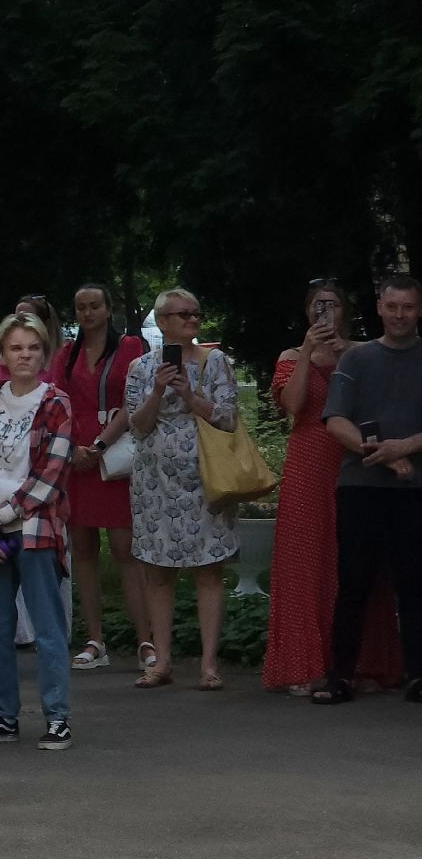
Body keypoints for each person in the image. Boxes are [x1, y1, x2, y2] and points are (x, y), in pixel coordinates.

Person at [266, 281, 402, 694]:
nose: (324, 311)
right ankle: (303, 665)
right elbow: (293, 406)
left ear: (346, 310)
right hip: (309, 462)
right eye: (317, 305)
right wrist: (308, 352)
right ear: (306, 312)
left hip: (356, 460)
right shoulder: (291, 356)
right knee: (306, 562)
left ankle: (361, 664)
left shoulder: (363, 353)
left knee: (358, 562)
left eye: (333, 304)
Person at [0, 312, 75, 750]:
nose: (25, 355)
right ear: (2, 354)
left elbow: (49, 478)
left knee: (47, 629)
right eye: (16, 348)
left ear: (44, 353)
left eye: (33, 348)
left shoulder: (56, 403)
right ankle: (3, 716)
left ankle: (57, 717)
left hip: (34, 530)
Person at [313, 274, 422, 705]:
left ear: (419, 309)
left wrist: (406, 446)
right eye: (392, 306)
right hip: (360, 486)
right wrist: (373, 451)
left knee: (415, 584)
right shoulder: (357, 360)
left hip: (415, 489)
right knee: (354, 582)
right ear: (379, 307)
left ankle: (418, 675)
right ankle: (340, 676)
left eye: (408, 307)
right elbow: (334, 418)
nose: (400, 315)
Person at [124, 288, 239, 691]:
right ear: (163, 321)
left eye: (196, 313)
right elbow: (136, 425)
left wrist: (190, 395)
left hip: (206, 477)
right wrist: (158, 391)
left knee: (209, 571)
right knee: (158, 573)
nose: (192, 319)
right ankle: (162, 662)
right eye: (183, 314)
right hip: (155, 482)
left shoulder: (215, 362)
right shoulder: (141, 367)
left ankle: (209, 665)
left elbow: (227, 418)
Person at [44, 284, 152, 673]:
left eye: (95, 306)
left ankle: (145, 640)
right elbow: (56, 401)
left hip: (113, 456)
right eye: (81, 308)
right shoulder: (65, 355)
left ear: (108, 310)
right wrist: (73, 449)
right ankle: (95, 639)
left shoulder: (130, 348)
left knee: (126, 549)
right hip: (76, 459)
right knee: (83, 549)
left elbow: (133, 401)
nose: (88, 313)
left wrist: (100, 445)